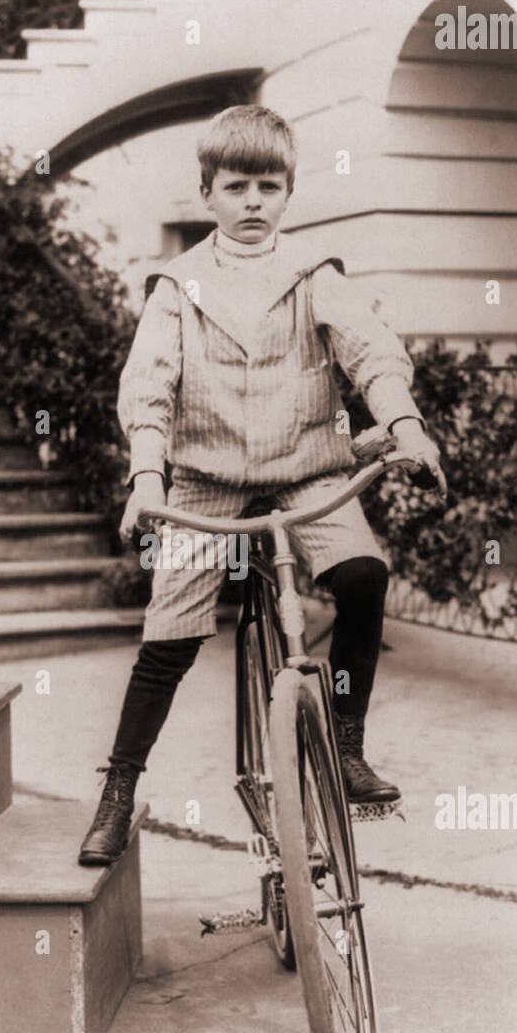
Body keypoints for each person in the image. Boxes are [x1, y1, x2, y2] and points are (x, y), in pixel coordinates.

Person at [78, 104, 445, 867]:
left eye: (268, 186)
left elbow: (371, 353)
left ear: (288, 195)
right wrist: (148, 477)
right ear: (206, 194)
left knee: (364, 575)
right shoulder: (177, 287)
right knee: (168, 642)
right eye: (236, 185)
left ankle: (344, 743)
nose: (252, 201)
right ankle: (119, 787)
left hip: (308, 470)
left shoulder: (313, 276)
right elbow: (149, 383)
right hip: (204, 483)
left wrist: (404, 425)